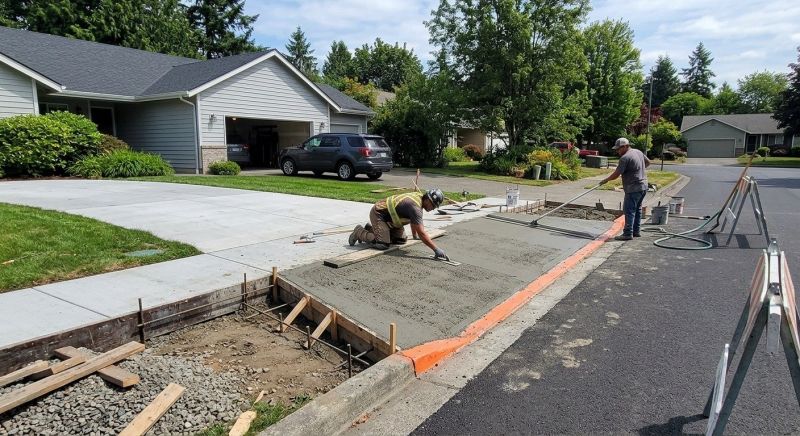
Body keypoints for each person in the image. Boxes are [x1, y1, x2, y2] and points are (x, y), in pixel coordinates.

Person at [349, 188, 449, 260]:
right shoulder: (415, 208)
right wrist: (436, 249)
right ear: (427, 200)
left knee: (400, 240)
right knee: (383, 244)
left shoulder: (419, 199)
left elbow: (414, 222)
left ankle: (371, 229)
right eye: (433, 205)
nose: (433, 209)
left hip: (390, 219)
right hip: (379, 214)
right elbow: (422, 233)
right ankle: (359, 232)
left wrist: (414, 236)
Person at [600, 137, 650, 241]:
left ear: (626, 146)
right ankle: (636, 231)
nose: (617, 151)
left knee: (629, 211)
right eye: (617, 149)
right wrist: (638, 169)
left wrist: (606, 180)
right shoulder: (638, 152)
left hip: (633, 188)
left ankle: (627, 233)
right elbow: (648, 162)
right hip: (643, 186)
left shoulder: (625, 158)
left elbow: (617, 174)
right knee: (638, 209)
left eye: (619, 149)